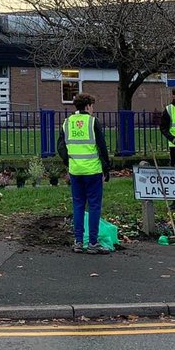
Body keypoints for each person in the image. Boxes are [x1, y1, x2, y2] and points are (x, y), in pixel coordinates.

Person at [57, 93, 111, 254]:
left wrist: (70, 161)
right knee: (94, 206)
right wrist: (106, 168)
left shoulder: (67, 122)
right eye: (92, 106)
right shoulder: (93, 122)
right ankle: (93, 243)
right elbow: (102, 147)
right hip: (93, 170)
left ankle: (78, 242)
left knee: (78, 205)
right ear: (88, 106)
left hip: (76, 170)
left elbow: (60, 147)